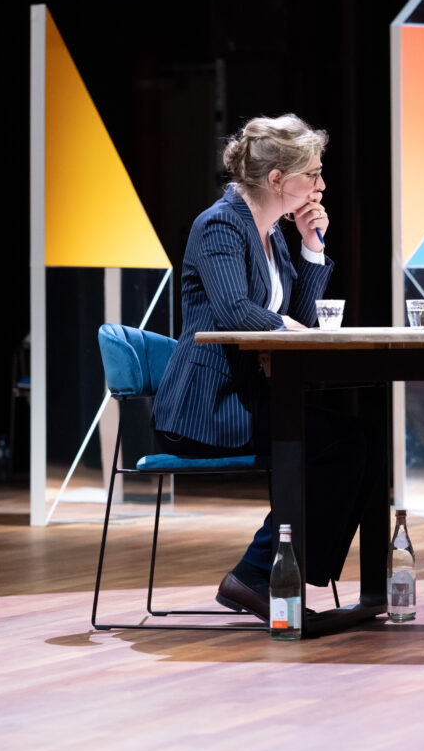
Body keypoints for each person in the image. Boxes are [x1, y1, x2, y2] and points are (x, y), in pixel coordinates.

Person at [154, 113, 369, 620]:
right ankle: (257, 574)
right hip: (207, 408)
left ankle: (279, 575)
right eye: (312, 174)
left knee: (360, 438)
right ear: (277, 179)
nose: (321, 185)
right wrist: (289, 327)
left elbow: (301, 318)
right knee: (337, 444)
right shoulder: (221, 225)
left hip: (250, 398)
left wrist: (311, 248)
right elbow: (236, 311)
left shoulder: (271, 234)